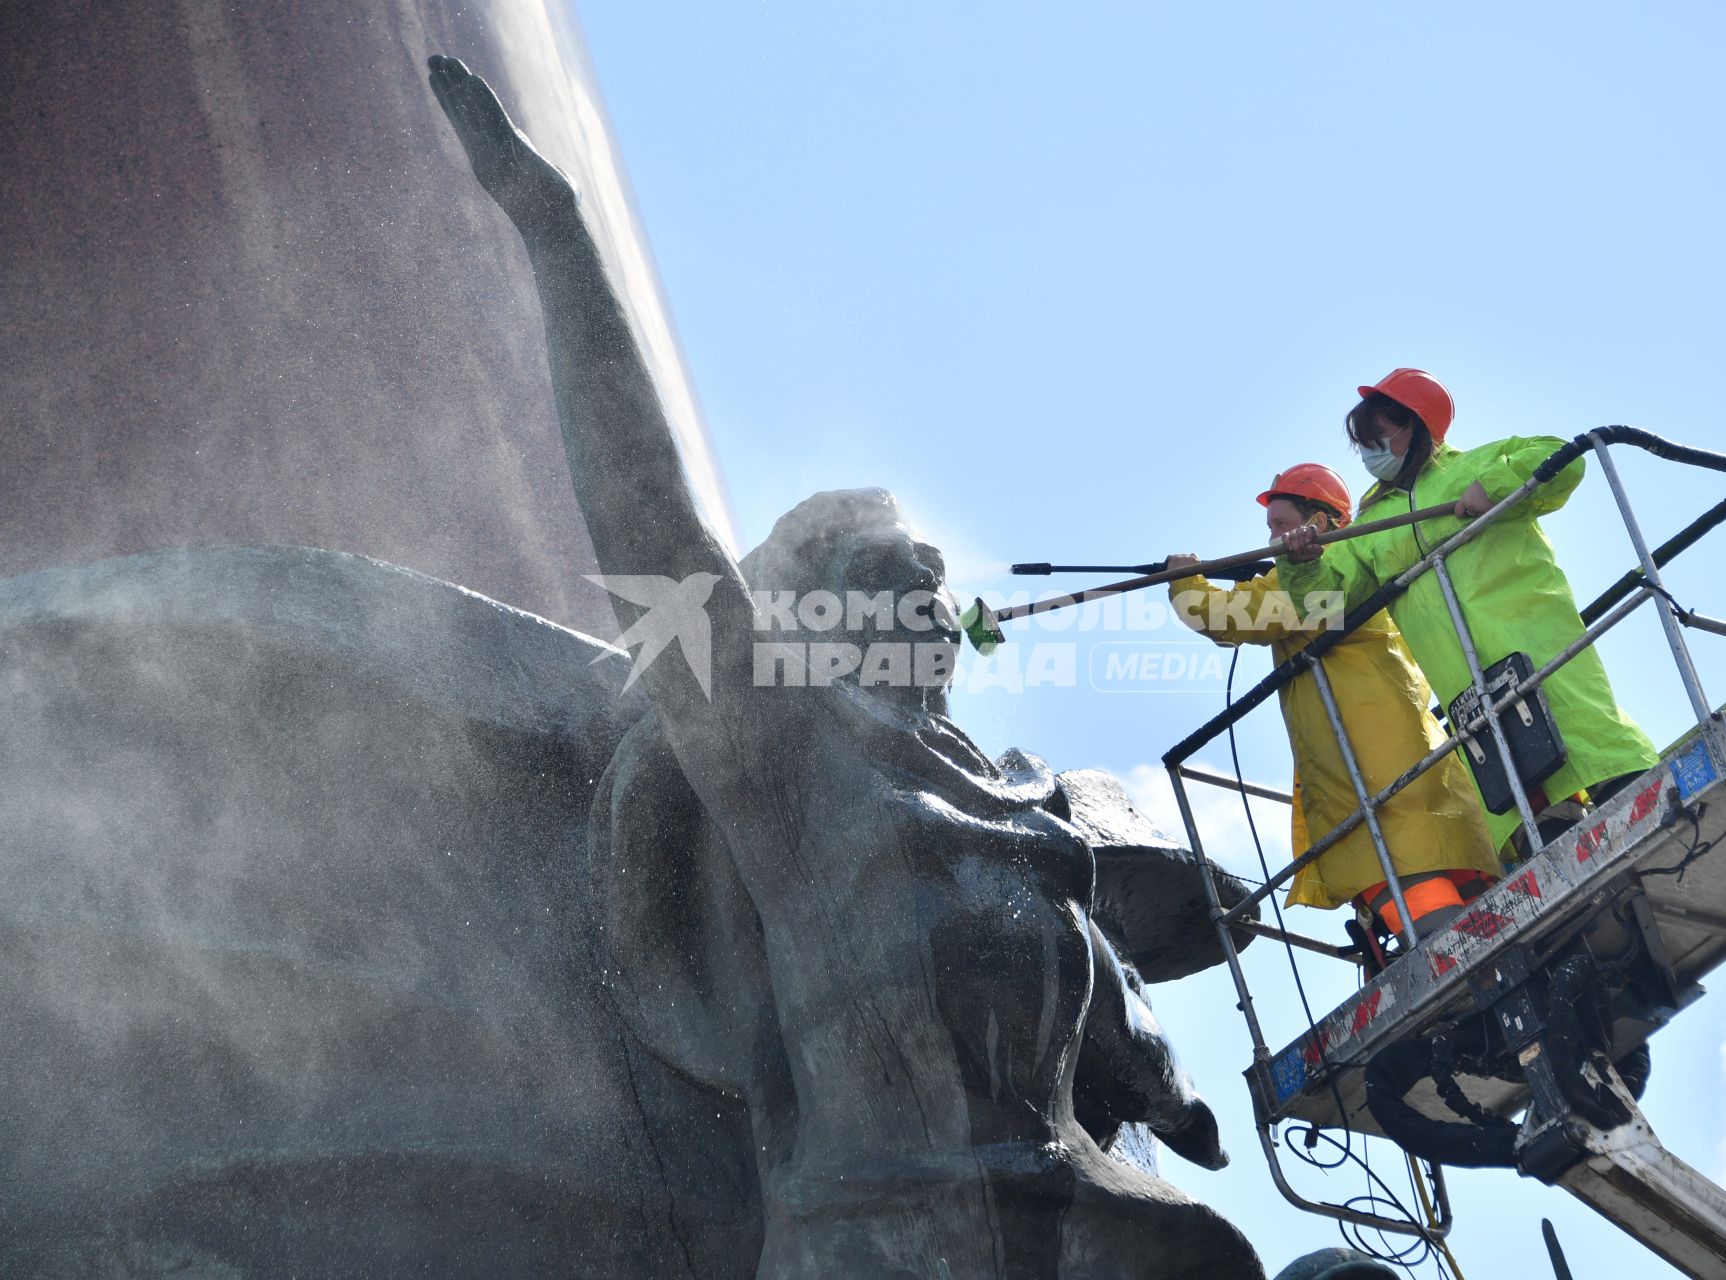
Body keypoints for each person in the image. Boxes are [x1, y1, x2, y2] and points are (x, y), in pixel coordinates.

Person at [426, 56, 1263, 1279]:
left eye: (931, 564)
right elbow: (649, 518)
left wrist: (1161, 1074)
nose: (928, 585)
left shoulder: (1024, 802)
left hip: (1082, 1224)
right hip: (883, 1237)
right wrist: (555, 231)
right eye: (889, 570)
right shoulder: (792, 763)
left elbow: (1100, 1012)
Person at [1272, 369, 1659, 853]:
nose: (1370, 452)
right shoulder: (1370, 525)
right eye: (1364, 443)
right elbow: (1325, 604)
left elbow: (1560, 456)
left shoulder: (1474, 466)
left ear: (1414, 425)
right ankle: (1549, 831)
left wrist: (1494, 484)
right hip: (1461, 676)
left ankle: (1631, 787)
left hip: (1530, 637)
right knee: (1513, 780)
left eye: (1379, 437)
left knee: (1581, 727)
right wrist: (1302, 563)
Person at [1168, 465, 1501, 941]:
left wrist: (1185, 583)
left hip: (1366, 765)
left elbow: (1230, 616)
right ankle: (1463, 943)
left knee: (1390, 864)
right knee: (1427, 859)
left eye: (1282, 525)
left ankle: (1458, 954)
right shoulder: (1350, 564)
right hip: (1394, 753)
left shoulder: (1323, 571)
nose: (1274, 536)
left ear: (1319, 523)